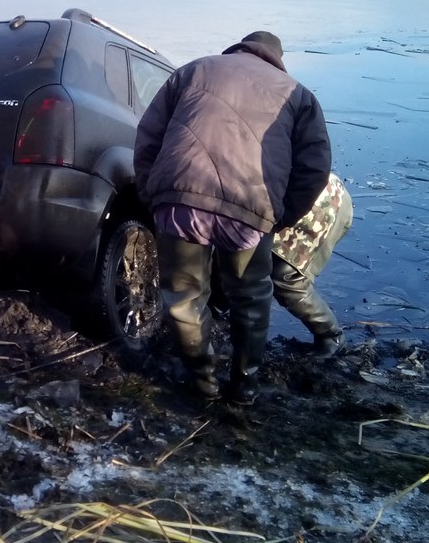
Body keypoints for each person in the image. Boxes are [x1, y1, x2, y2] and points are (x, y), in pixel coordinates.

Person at [134, 31, 332, 405]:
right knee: (251, 297)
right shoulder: (298, 94)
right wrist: (280, 217)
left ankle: (202, 382)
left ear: (238, 48)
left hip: (180, 199)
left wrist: (152, 195)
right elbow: (314, 169)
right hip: (250, 209)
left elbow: (148, 139)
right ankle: (244, 387)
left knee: (184, 297)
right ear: (276, 58)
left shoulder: (192, 71)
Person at [211, 171, 351, 358]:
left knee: (285, 277)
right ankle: (213, 309)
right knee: (228, 257)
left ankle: (331, 335)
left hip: (317, 199)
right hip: (258, 196)